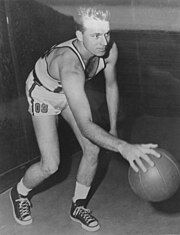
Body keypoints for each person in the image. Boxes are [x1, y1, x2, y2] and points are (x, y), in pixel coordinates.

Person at [9, 5, 160, 232]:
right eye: (96, 35)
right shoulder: (70, 66)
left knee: (93, 150)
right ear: (79, 36)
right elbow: (86, 126)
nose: (103, 41)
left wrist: (114, 128)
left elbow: (111, 86)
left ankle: (78, 205)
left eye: (107, 33)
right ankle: (19, 193)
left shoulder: (109, 50)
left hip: (71, 93)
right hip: (44, 94)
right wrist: (123, 147)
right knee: (51, 165)